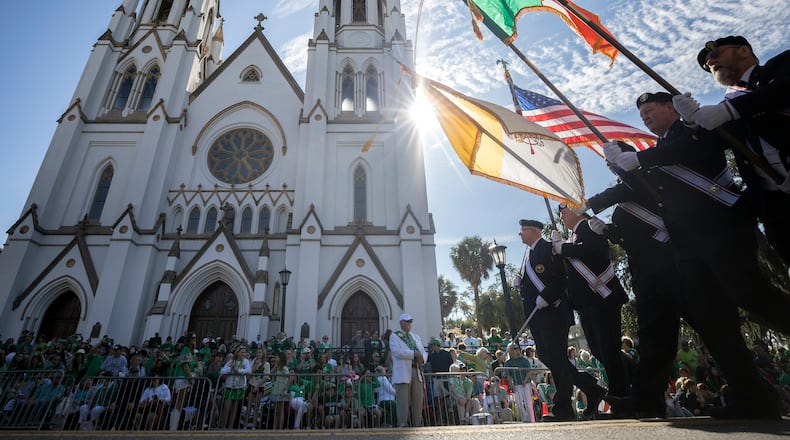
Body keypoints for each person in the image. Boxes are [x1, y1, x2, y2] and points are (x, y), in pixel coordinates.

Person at [605, 91, 784, 419]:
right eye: (641, 113)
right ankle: (752, 396)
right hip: (688, 244)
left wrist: (640, 160)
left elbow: (696, 150)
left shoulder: (693, 130)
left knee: (753, 295)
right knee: (714, 321)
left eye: (650, 109)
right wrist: (623, 165)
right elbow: (643, 184)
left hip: (722, 229)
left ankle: (753, 394)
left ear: (671, 106)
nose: (644, 116)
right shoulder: (662, 148)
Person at [673, 36, 790, 264]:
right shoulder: (728, 106)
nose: (711, 63)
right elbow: (707, 146)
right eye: (708, 64)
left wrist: (731, 109)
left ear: (744, 50)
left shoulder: (779, 67)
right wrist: (691, 122)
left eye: (715, 55)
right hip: (777, 208)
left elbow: (782, 91)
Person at [515, 219, 604, 421]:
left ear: (534, 231)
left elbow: (560, 278)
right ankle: (591, 387)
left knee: (556, 358)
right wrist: (522, 285)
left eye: (523, 231)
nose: (520, 234)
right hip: (538, 317)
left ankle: (563, 408)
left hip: (553, 314)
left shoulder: (548, 248)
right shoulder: (528, 254)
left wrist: (547, 296)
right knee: (549, 358)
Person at [552, 206, 631, 406]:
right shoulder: (572, 236)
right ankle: (637, 373)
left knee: (608, 347)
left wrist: (563, 248)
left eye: (565, 210)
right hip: (586, 302)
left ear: (577, 210)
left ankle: (620, 393)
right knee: (598, 350)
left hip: (602, 298)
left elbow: (592, 249)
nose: (561, 215)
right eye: (560, 212)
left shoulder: (589, 227)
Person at [389, 313, 427, 427]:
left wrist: (422, 358)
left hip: (416, 370)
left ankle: (417, 422)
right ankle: (403, 423)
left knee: (417, 399)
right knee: (403, 400)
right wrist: (413, 354)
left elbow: (423, 352)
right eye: (406, 321)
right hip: (403, 372)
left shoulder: (416, 337)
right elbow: (397, 352)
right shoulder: (395, 336)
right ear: (401, 323)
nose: (409, 324)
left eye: (410, 321)